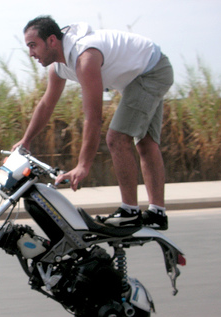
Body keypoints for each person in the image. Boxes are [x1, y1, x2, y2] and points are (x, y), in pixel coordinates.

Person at [13, 15, 173, 230]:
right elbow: (46, 105)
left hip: (151, 71)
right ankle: (157, 214)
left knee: (117, 138)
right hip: (138, 75)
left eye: (33, 45)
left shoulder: (85, 57)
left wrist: (83, 165)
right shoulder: (58, 67)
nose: (31, 53)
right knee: (145, 142)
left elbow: (93, 117)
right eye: (28, 47)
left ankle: (130, 212)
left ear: (52, 41)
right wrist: (26, 140)